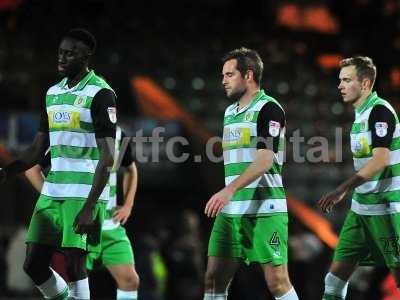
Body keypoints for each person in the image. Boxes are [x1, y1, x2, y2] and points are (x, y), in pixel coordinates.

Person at [0, 28, 117, 300]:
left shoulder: (101, 93)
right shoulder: (52, 93)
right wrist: (8, 171)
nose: (62, 58)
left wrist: (90, 207)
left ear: (86, 56)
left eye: (70, 53)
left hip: (82, 193)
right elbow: (37, 149)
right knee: (33, 265)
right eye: (61, 52)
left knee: (75, 263)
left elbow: (108, 157)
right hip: (52, 192)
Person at [204, 47, 298, 300]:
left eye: (229, 74)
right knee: (213, 280)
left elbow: (265, 159)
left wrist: (229, 189)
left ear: (248, 75)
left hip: (264, 207)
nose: (223, 80)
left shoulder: (269, 109)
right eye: (222, 75)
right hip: (231, 210)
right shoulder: (229, 113)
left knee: (277, 282)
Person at [318, 56, 400, 300]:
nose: (340, 86)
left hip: (386, 208)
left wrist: (341, 189)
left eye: (347, 80)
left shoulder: (379, 111)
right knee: (334, 280)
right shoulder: (361, 116)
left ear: (365, 84)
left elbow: (381, 159)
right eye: (340, 80)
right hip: (362, 209)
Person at [25, 126, 140, 299]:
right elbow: (32, 169)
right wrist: (55, 202)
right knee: (71, 275)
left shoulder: (117, 134)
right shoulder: (71, 134)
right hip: (78, 222)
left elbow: (131, 169)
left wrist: (128, 205)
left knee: (130, 280)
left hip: (109, 225)